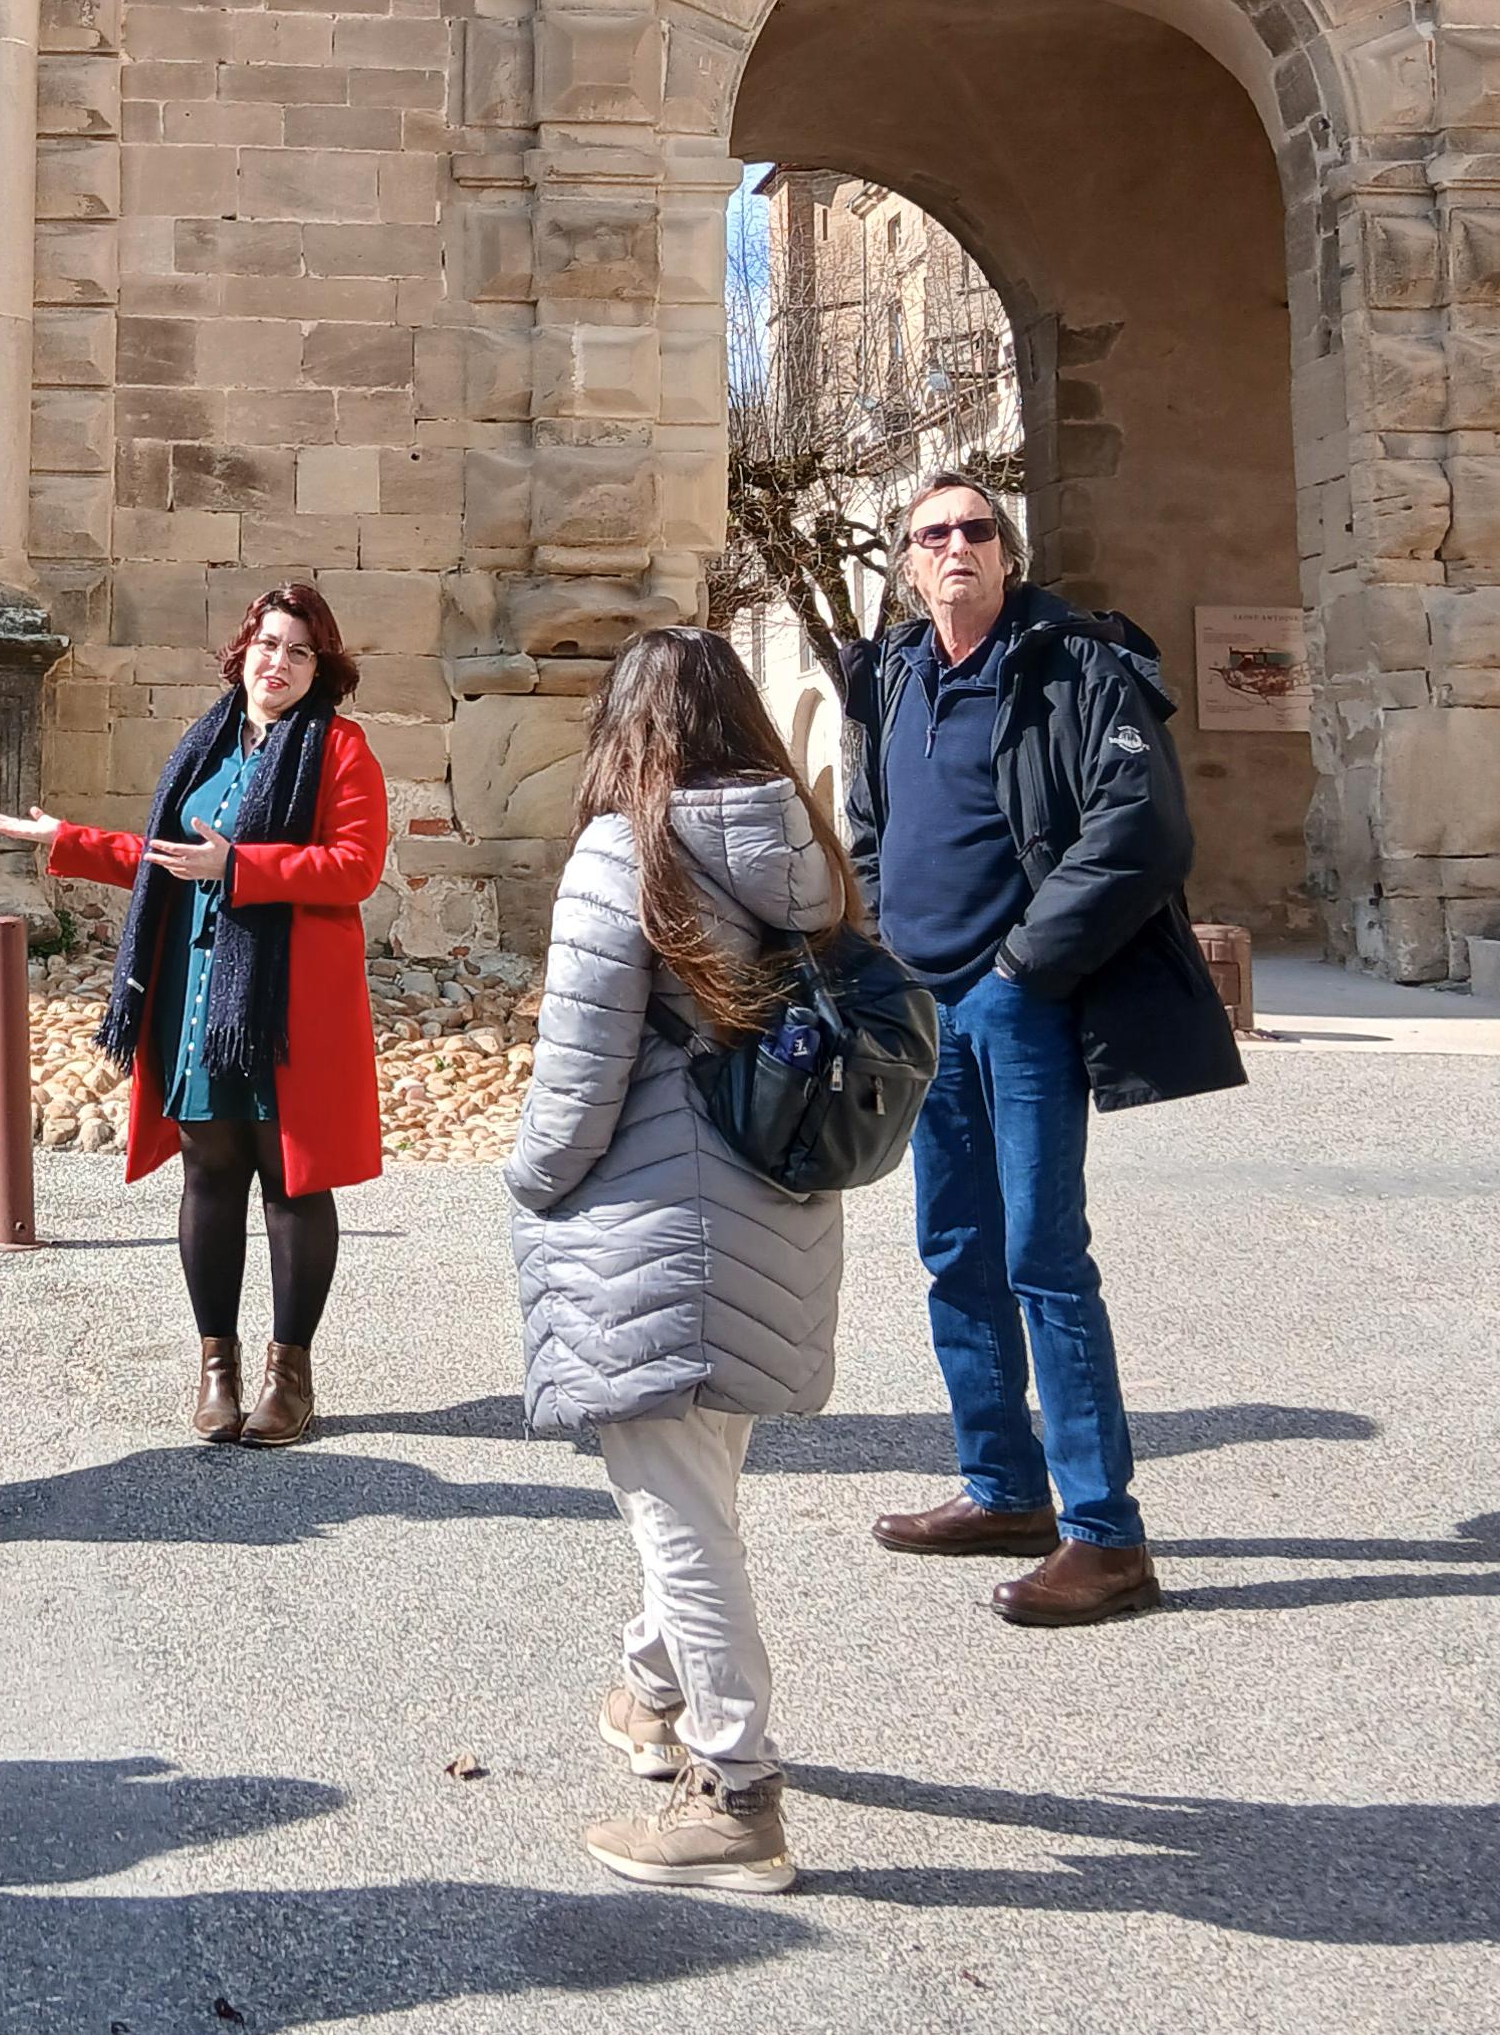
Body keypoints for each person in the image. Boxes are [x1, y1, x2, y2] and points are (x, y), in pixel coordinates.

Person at [836, 473, 1241, 1629]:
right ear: (908, 565)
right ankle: (1003, 1487)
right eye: (933, 535)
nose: (955, 546)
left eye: (976, 529)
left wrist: (1024, 965)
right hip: (926, 1006)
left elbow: (1142, 828)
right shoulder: (891, 675)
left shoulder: (1076, 663)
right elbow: (868, 823)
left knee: (1043, 1260)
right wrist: (886, 942)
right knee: (953, 1250)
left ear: (1006, 553)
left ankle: (1106, 1537)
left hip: (1020, 1004)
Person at [506, 627, 856, 1896]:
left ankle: (737, 1792)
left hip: (658, 1218)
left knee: (679, 1514)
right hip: (775, 1209)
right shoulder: (805, 856)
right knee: (698, 1485)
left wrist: (528, 1183)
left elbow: (579, 1077)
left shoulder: (630, 854)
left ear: (627, 725)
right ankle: (653, 1696)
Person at [0, 581, 387, 1447]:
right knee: (209, 1173)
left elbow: (355, 868)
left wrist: (241, 868)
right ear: (242, 652)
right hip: (196, 995)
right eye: (268, 644)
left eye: (299, 651)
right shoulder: (206, 743)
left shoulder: (341, 750)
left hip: (284, 1006)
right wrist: (69, 841)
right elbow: (171, 858)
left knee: (290, 1180)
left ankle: (289, 1375)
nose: (278, 663)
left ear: (321, 668)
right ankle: (218, 1371)